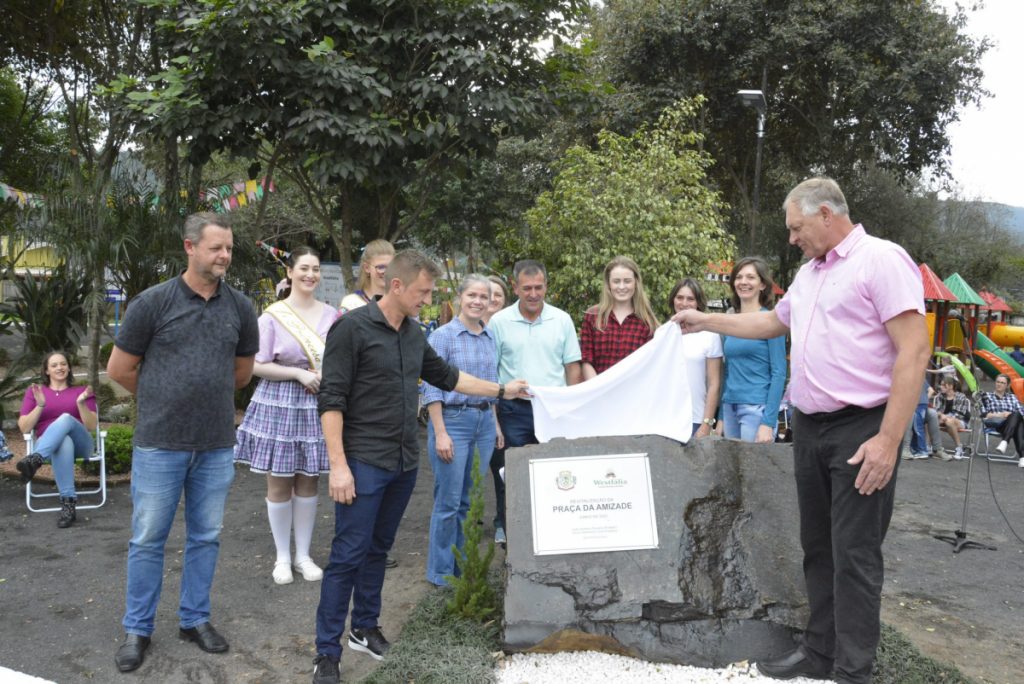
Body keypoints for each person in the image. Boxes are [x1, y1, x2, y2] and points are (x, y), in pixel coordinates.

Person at [673, 177, 930, 684]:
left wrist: (888, 440)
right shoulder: (811, 273)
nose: (791, 239)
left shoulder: (881, 260)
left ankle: (852, 671)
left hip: (862, 428)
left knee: (854, 554)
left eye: (796, 228)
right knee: (817, 547)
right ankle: (819, 653)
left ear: (826, 214)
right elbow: (772, 322)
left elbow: (915, 350)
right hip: (810, 428)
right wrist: (705, 320)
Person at [311, 250, 527, 683]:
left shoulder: (412, 333)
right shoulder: (351, 329)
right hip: (362, 462)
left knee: (378, 549)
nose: (428, 301)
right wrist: (338, 466)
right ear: (396, 286)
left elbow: (449, 377)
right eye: (423, 292)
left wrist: (503, 390)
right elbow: (331, 400)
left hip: (403, 462)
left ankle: (364, 627)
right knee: (347, 556)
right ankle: (326, 653)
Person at [107, 212, 259, 673]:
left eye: (228, 248)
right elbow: (119, 370)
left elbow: (241, 373)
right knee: (147, 539)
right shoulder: (152, 303)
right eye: (216, 247)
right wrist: (163, 399)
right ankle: (138, 628)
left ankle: (194, 619)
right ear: (190, 247)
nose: (225, 255)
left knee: (206, 537)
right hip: (160, 443)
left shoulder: (241, 307)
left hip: (215, 444)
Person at [234, 247, 337, 585]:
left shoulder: (332, 316)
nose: (310, 275)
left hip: (315, 403)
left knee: (309, 480)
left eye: (316, 269)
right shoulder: (273, 316)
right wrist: (297, 373)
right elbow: (256, 365)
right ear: (290, 272)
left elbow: (340, 359)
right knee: (279, 480)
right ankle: (281, 556)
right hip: (279, 402)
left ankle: (303, 555)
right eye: (304, 268)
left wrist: (323, 376)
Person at [487, 259, 582, 545]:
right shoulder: (499, 322)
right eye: (526, 288)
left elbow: (572, 367)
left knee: (556, 472)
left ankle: (555, 534)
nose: (533, 294)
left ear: (546, 286)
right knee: (514, 474)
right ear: (514, 287)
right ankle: (515, 540)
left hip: (553, 410)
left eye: (538, 287)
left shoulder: (562, 319)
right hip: (513, 410)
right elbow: (491, 371)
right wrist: (494, 417)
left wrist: (570, 406)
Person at [422, 274, 504, 586]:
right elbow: (431, 388)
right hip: (453, 422)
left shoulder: (489, 337)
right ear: (460, 297)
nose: (477, 301)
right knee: (449, 501)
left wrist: (495, 424)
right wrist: (440, 432)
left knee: (470, 501)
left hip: (483, 423)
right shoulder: (443, 336)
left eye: (484, 297)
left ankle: (463, 567)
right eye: (472, 295)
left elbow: (490, 384)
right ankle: (442, 574)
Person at [16, 351, 98, 528]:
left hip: (81, 444)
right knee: (63, 441)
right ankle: (68, 504)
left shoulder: (82, 391)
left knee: (66, 418)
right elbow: (24, 428)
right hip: (49, 445)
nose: (59, 368)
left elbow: (91, 426)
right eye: (54, 365)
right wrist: (40, 405)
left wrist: (81, 403)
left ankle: (35, 460)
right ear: (46, 370)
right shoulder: (35, 392)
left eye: (63, 364)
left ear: (69, 367)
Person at [720, 257, 787, 443]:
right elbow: (727, 371)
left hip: (756, 408)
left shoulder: (771, 320)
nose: (743, 282)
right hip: (729, 407)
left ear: (762, 284)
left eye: (750, 277)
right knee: (730, 463)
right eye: (739, 277)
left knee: (752, 462)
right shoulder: (730, 321)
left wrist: (768, 422)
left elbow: (779, 372)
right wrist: (721, 417)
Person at [580, 256, 658, 379]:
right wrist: (599, 388)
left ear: (636, 283)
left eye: (627, 281)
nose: (621, 287)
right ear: (608, 284)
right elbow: (586, 360)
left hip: (635, 389)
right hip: (599, 388)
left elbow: (651, 366)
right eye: (616, 281)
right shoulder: (593, 316)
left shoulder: (647, 322)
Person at [668, 278, 723, 438]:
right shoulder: (664, 332)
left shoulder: (710, 335)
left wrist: (706, 424)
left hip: (695, 420)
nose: (684, 303)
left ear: (698, 302)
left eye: (690, 299)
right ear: (673, 300)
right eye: (680, 297)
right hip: (666, 418)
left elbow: (714, 384)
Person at [338, 239, 394, 315]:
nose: (387, 272)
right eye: (381, 267)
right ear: (367, 268)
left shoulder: (401, 300)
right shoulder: (352, 303)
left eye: (391, 266)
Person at [980, 373, 1024, 465]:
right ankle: (1022, 457)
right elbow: (983, 414)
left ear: (1007, 385)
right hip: (996, 424)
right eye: (998, 382)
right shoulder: (986, 396)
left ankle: (1005, 442)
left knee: (1017, 418)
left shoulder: (1012, 397)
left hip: (1009, 425)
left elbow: (1021, 411)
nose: (999, 384)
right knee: (1018, 422)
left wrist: (1010, 415)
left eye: (1002, 383)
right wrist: (1001, 415)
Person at [934, 376, 970, 460]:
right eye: (941, 385)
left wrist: (945, 417)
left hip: (960, 421)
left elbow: (959, 414)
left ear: (950, 386)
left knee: (949, 422)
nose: (941, 387)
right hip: (944, 420)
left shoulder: (961, 396)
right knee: (930, 420)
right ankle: (930, 446)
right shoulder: (940, 396)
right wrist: (941, 416)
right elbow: (937, 410)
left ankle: (959, 447)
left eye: (944, 385)